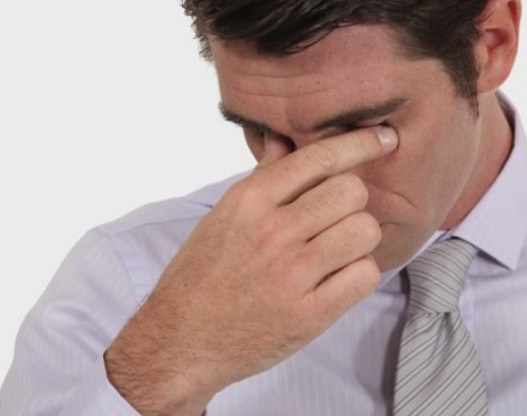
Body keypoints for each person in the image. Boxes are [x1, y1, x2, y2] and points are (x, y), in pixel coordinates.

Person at [0, 0, 525, 414]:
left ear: (492, 44)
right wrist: (163, 370)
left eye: (361, 129)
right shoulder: (127, 280)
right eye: (262, 131)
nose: (315, 186)